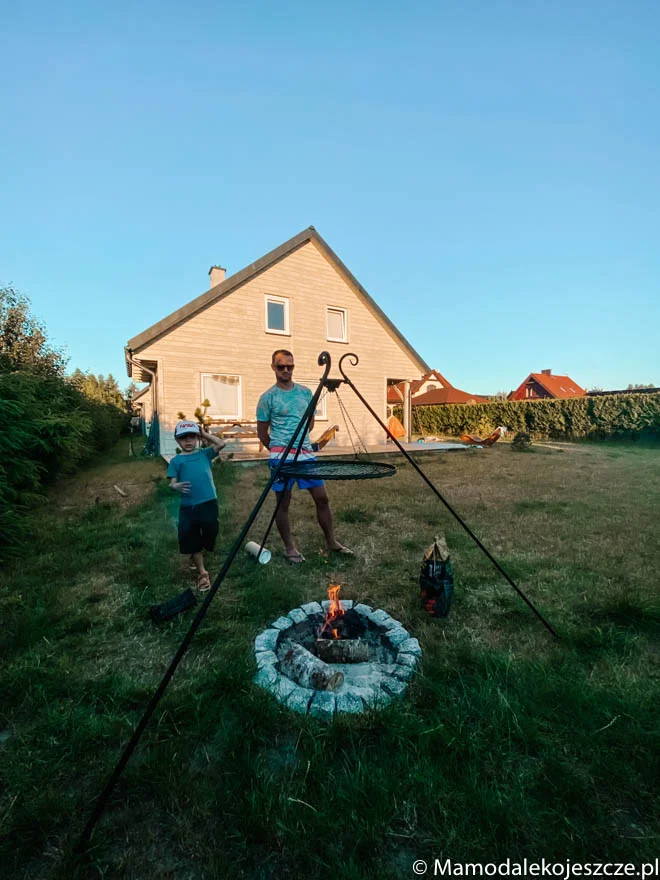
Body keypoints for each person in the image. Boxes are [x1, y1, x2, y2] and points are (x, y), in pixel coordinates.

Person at [256, 349, 353, 564]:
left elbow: (309, 423)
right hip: (281, 457)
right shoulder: (267, 398)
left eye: (290, 366)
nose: (286, 370)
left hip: (305, 455)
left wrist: (301, 442)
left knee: (322, 498)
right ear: (273, 367)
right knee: (283, 503)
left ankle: (331, 541)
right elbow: (262, 433)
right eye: (281, 366)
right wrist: (277, 449)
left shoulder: (305, 393)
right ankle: (289, 548)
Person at [167, 420, 226, 590]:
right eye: (183, 438)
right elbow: (172, 483)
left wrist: (205, 434)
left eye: (192, 437)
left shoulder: (204, 454)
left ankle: (197, 552)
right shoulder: (176, 461)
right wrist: (175, 486)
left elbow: (221, 443)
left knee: (211, 530)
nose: (188, 441)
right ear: (178, 441)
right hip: (188, 506)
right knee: (191, 537)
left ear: (197, 438)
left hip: (208, 502)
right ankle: (202, 572)